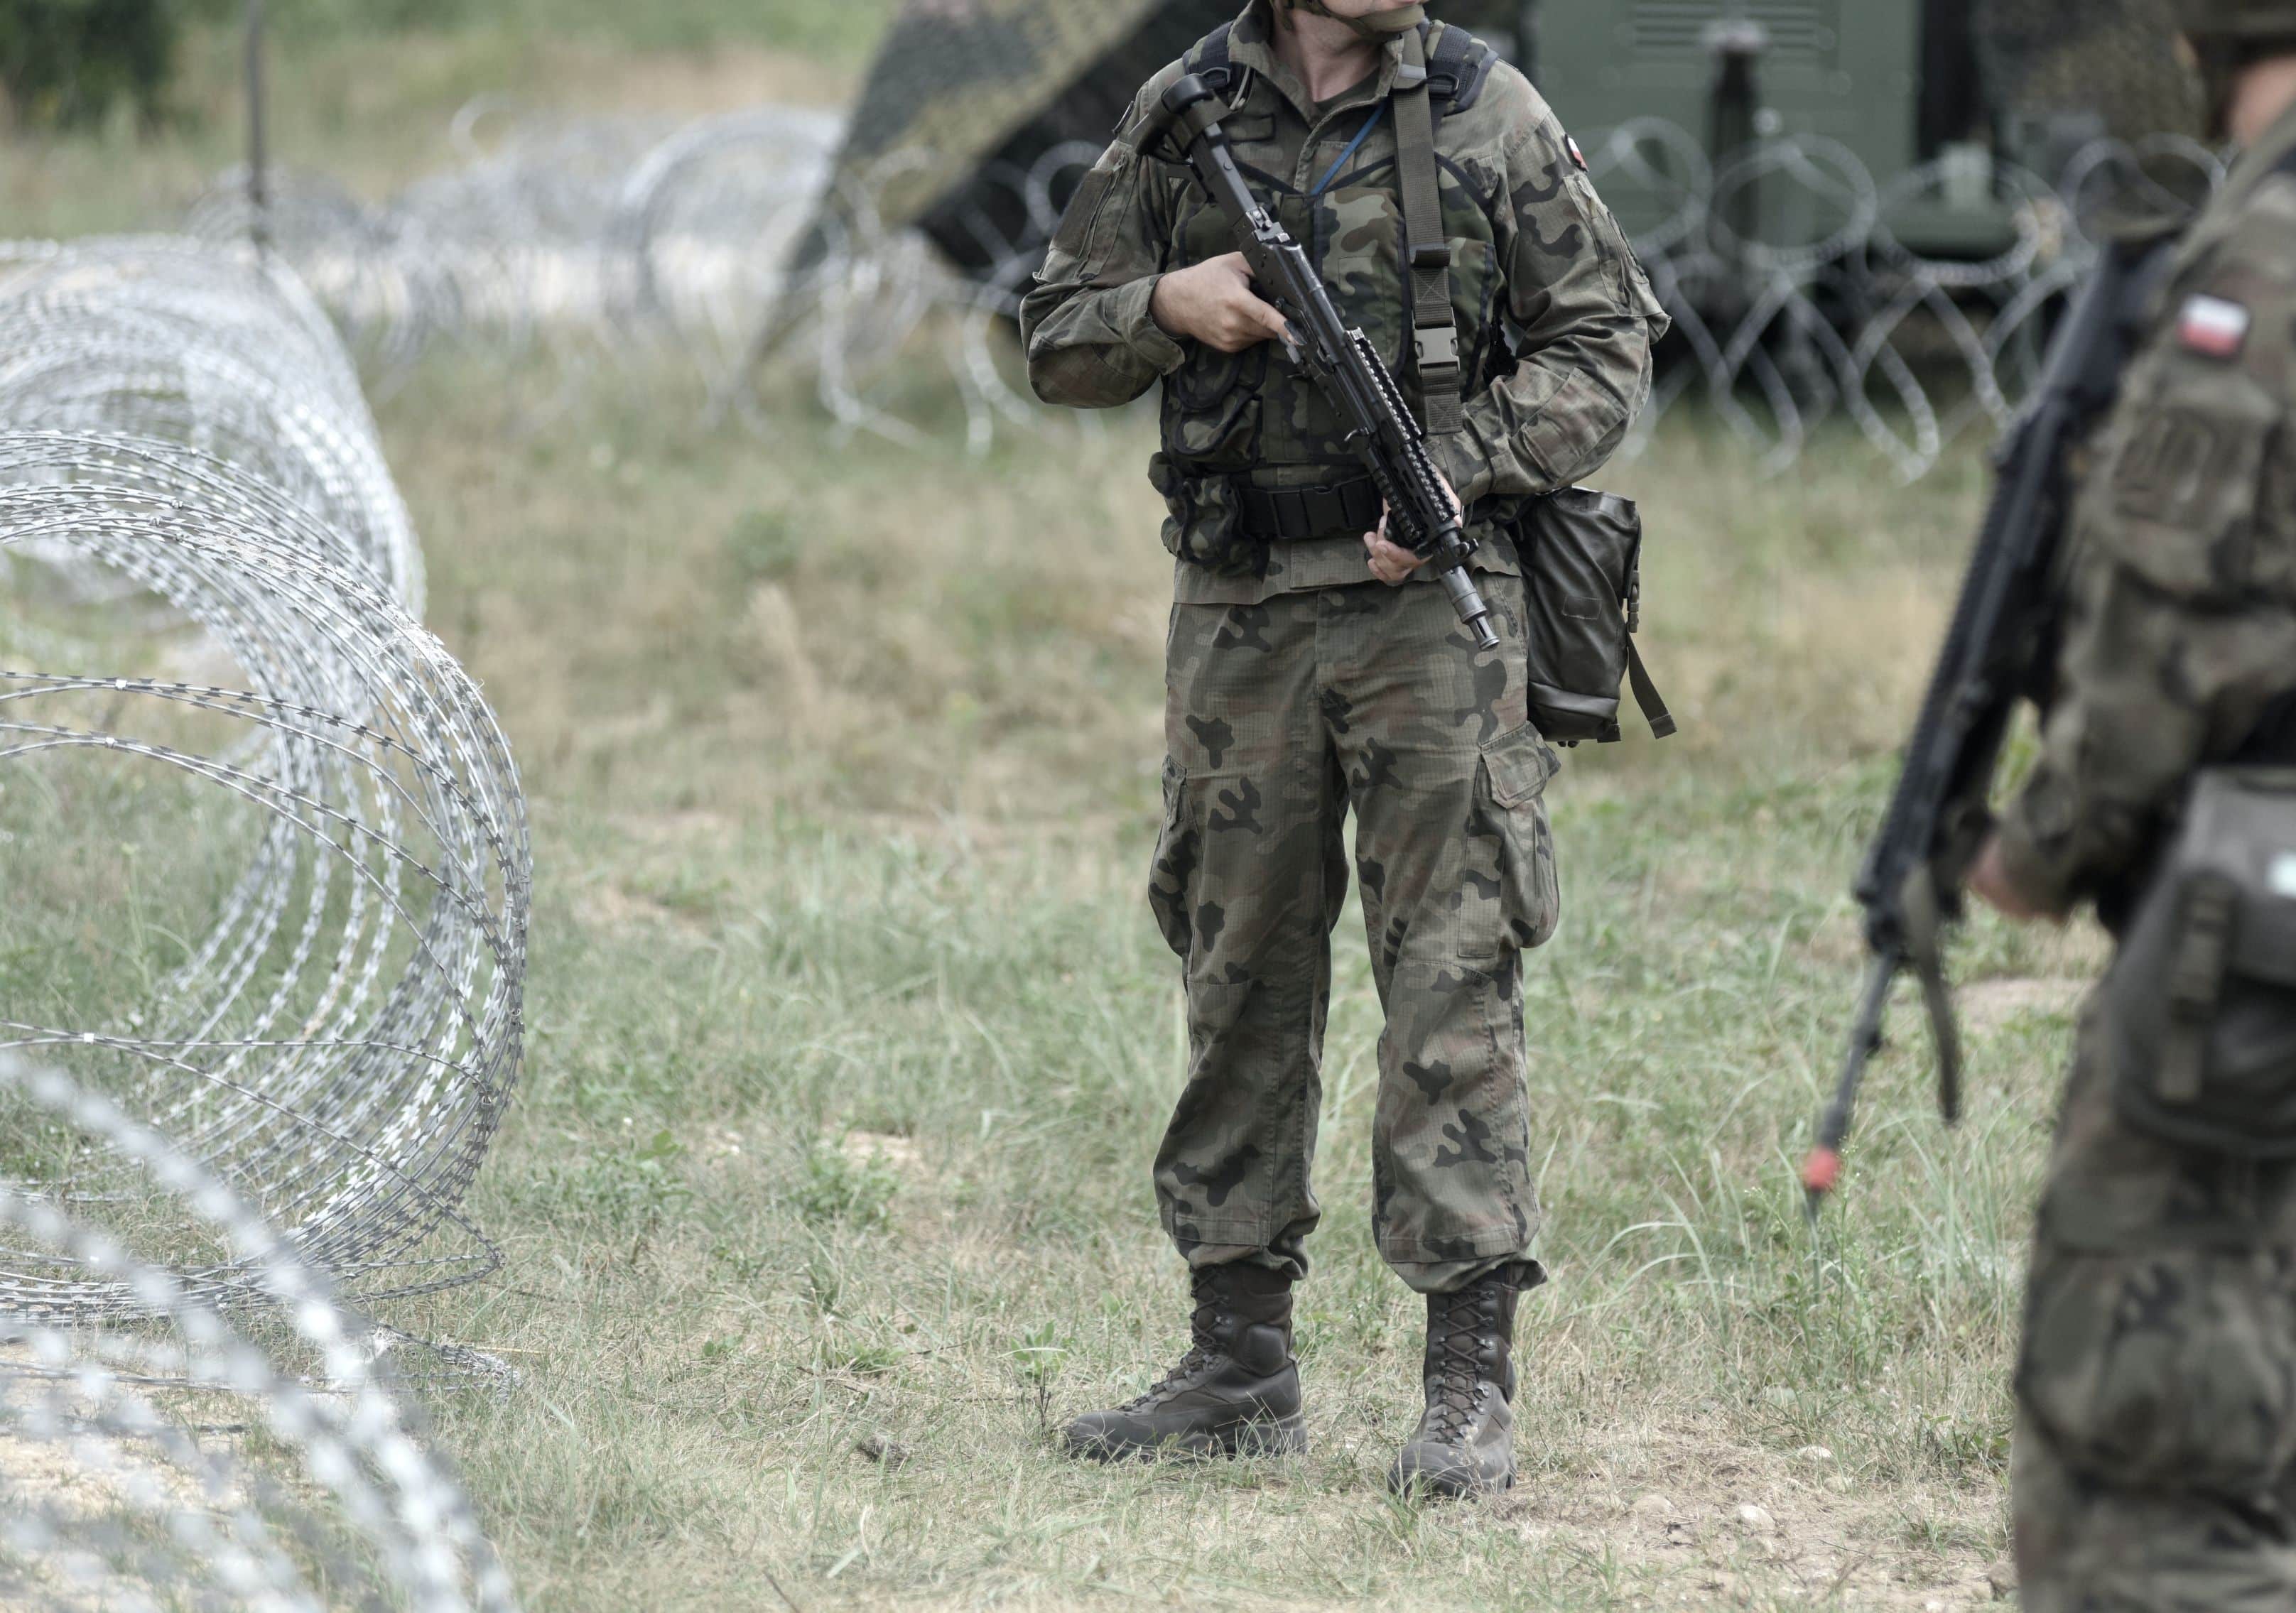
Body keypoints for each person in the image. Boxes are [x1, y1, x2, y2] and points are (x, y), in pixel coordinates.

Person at [1019, 0, 1664, 1496]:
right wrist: (1163, 307)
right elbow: (1054, 330)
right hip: (1240, 607)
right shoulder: (1185, 108)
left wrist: (1456, 460)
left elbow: (1603, 345)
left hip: (1431, 620)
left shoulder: (1484, 109)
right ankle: (1237, 1359)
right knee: (1235, 965)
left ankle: (1464, 1384)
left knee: (1450, 965)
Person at [1966, 1, 2296, 1601]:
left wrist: (2040, 843)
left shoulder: (2264, 251)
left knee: (2147, 1489)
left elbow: (2173, 615)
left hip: (2257, 911)